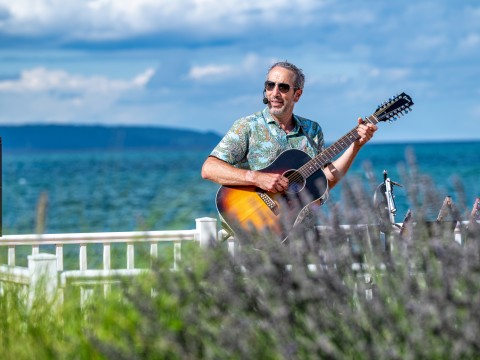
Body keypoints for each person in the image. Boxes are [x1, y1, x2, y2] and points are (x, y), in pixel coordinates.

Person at [201, 61, 377, 234]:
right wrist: (256, 178)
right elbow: (209, 169)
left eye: (283, 87)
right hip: (260, 231)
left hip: (302, 235)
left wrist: (355, 146)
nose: (275, 93)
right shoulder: (247, 126)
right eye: (270, 85)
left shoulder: (312, 130)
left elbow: (326, 181)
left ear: (297, 95)